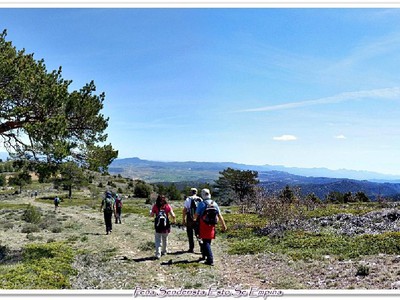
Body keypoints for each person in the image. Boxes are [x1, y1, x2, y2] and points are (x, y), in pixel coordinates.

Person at [193, 188, 227, 266]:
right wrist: (223, 225)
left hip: (203, 225)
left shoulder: (202, 204)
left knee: (205, 242)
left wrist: (194, 220)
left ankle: (210, 259)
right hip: (212, 225)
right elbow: (219, 215)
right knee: (208, 241)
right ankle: (205, 256)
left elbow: (196, 215)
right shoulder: (214, 203)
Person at [150, 194, 176, 259]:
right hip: (166, 225)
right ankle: (164, 251)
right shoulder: (167, 206)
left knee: (158, 240)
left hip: (158, 226)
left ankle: (158, 254)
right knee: (165, 239)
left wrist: (151, 212)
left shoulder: (155, 206)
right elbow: (173, 215)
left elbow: (152, 215)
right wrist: (174, 221)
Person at [182, 188, 203, 253]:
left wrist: (183, 219)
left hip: (190, 218)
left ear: (191, 192)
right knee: (198, 233)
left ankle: (191, 248)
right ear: (196, 192)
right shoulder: (200, 199)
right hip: (198, 218)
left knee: (190, 233)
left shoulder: (188, 199)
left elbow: (185, 210)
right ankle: (202, 247)